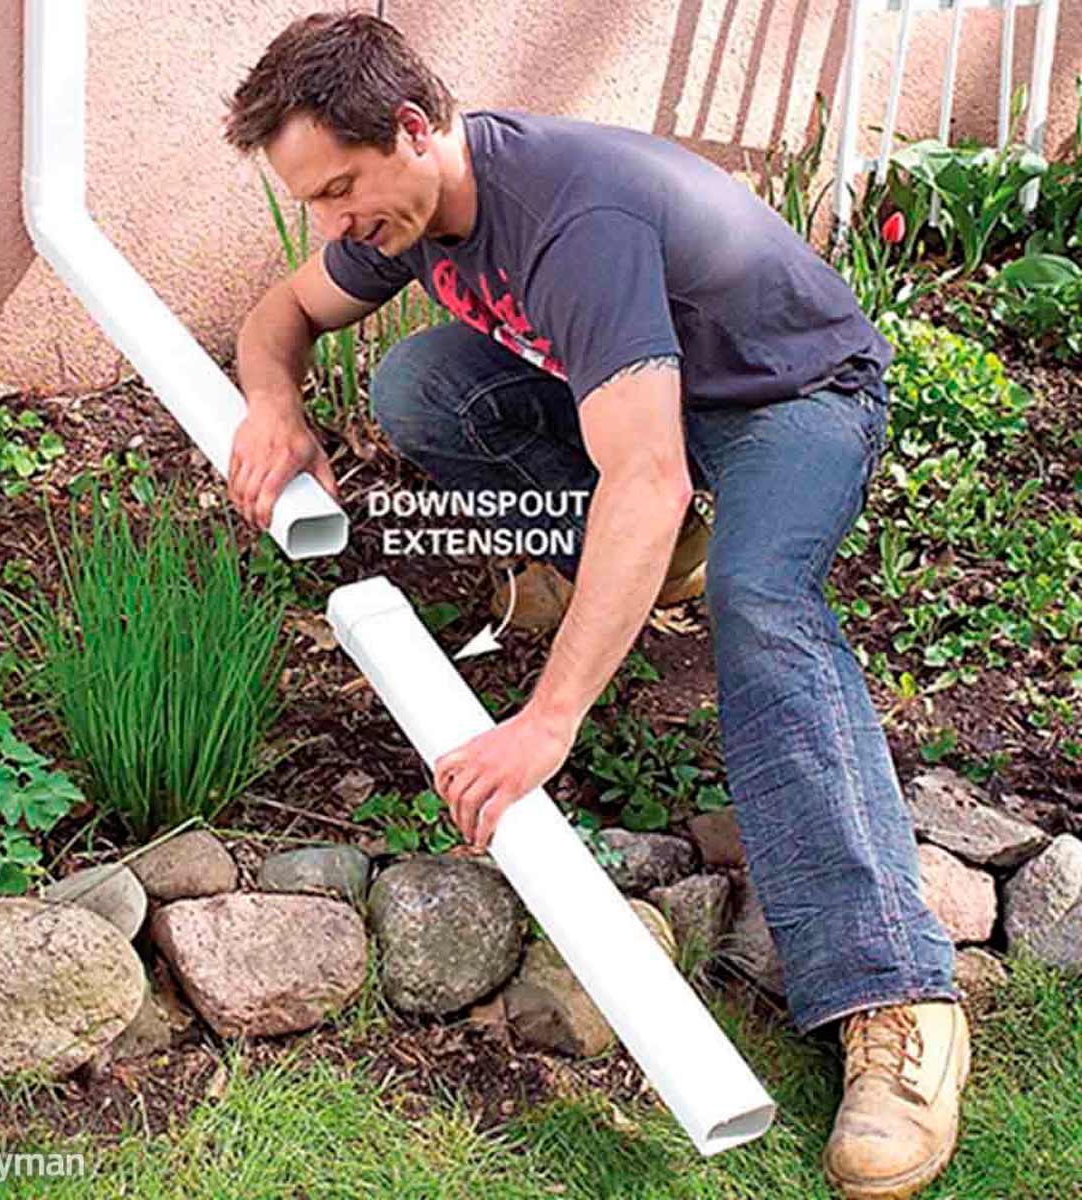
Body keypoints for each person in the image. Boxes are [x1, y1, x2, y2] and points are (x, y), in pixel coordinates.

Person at [221, 13, 969, 1198]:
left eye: (342, 188)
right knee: (424, 386)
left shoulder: (574, 218)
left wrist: (547, 720)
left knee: (759, 605)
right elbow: (281, 319)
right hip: (656, 399)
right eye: (312, 200)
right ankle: (646, 558)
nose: (333, 224)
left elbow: (648, 466)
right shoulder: (406, 208)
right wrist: (273, 405)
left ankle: (897, 998)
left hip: (789, 398)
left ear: (415, 130)